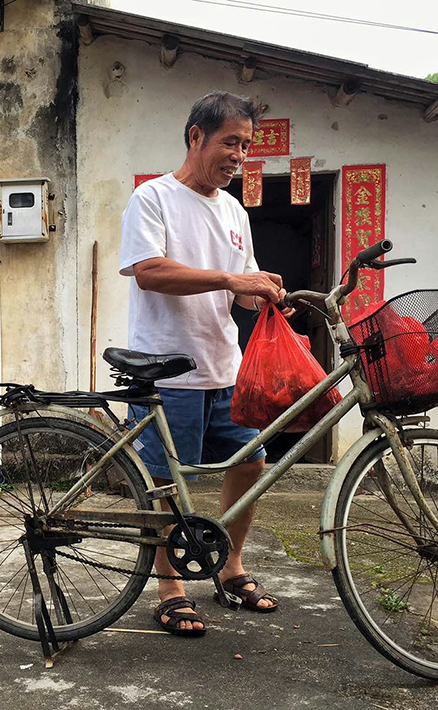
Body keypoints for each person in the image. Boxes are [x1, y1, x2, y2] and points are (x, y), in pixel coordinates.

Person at [119, 91, 293, 637]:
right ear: (196, 136)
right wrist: (230, 279)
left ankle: (230, 566)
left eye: (245, 145)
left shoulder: (234, 209)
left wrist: (261, 292)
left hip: (224, 366)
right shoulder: (153, 198)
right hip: (166, 369)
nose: (239, 154)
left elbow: (240, 290)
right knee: (166, 484)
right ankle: (169, 588)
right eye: (230, 142)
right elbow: (149, 271)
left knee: (249, 464)